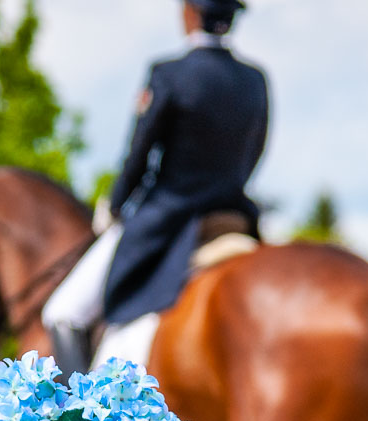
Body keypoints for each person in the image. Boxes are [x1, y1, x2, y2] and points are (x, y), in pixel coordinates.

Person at [42, 0, 270, 376]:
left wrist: (116, 205)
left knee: (62, 313)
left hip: (168, 217)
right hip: (234, 217)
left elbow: (139, 154)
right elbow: (255, 150)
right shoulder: (254, 79)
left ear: (189, 13)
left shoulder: (169, 74)